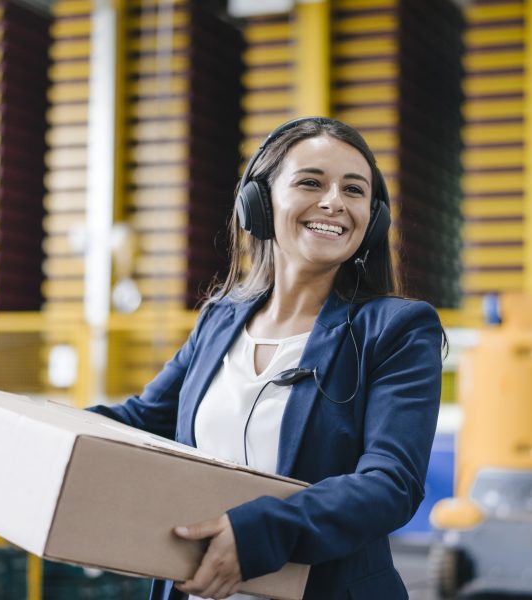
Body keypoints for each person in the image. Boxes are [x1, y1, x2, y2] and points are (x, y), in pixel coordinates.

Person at [89, 117, 443, 600]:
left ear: (373, 217)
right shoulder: (220, 319)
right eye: (311, 182)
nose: (334, 201)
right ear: (258, 203)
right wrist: (29, 429)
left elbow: (391, 482)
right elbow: (141, 420)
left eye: (354, 190)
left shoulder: (397, 329)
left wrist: (261, 533)